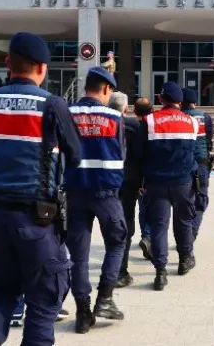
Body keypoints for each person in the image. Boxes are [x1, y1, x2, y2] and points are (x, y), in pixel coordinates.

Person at [0, 32, 82, 346]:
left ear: (8, 63)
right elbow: (75, 155)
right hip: (37, 218)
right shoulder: (51, 105)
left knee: (3, 289)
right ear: (42, 68)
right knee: (45, 297)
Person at [63, 68, 127, 334]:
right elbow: (121, 152)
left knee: (78, 256)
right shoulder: (114, 116)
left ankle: (82, 312)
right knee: (117, 241)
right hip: (106, 192)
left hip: (74, 191)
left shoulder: (66, 113)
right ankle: (105, 298)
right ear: (104, 89)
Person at [134, 82, 199, 291]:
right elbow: (192, 152)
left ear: (161, 100)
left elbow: (139, 153)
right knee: (184, 222)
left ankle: (160, 272)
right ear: (180, 101)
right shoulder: (192, 122)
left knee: (159, 226)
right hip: (184, 183)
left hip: (156, 183)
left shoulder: (149, 121)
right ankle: (184, 260)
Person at [114, 93, 142, 288]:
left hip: (105, 179)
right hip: (129, 179)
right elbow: (141, 154)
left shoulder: (102, 121)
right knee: (126, 223)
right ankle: (120, 271)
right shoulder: (133, 125)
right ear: (125, 108)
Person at [181, 88, 214, 240]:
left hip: (181, 165)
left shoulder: (178, 117)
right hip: (201, 163)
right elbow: (208, 141)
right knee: (201, 201)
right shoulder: (205, 118)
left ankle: (185, 235)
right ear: (195, 102)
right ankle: (192, 233)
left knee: (182, 203)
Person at [131, 98, 154, 260]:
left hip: (134, 174)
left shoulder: (130, 126)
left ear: (134, 111)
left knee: (142, 207)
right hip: (150, 173)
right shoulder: (152, 126)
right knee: (152, 207)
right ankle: (147, 236)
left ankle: (144, 235)